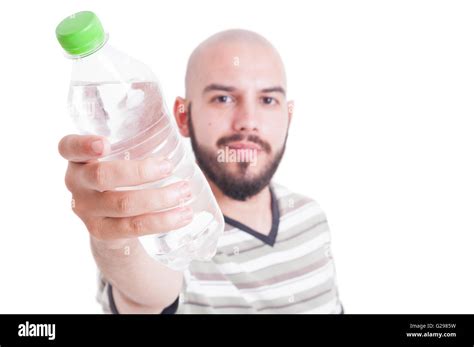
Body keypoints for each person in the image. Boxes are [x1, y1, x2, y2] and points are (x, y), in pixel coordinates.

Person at [58, 29, 343, 314]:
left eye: (268, 100)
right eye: (223, 98)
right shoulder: (167, 237)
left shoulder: (311, 217)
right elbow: (147, 294)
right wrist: (116, 238)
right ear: (182, 116)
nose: (248, 121)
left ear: (288, 116)